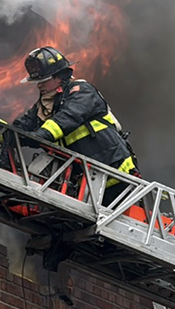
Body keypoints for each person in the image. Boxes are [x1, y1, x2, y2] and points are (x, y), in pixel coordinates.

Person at [11, 46, 138, 206]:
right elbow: (21, 128)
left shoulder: (82, 92)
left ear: (59, 77)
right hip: (86, 185)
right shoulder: (45, 106)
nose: (39, 86)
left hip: (116, 178)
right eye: (37, 82)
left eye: (44, 81)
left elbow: (68, 118)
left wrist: (40, 136)